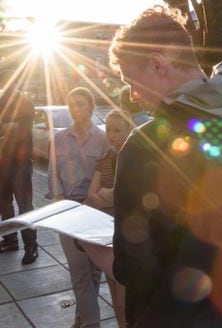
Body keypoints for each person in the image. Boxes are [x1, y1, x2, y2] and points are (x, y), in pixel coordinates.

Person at [108, 6, 222, 327]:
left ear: (157, 63)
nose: (133, 95)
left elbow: (135, 269)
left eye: (131, 81)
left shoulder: (146, 145)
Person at [47, 87, 110, 328]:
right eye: (71, 104)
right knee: (79, 272)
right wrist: (61, 201)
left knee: (94, 273)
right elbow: (53, 174)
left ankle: (82, 321)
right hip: (68, 210)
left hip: (96, 210)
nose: (75, 109)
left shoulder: (103, 139)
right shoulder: (59, 138)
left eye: (80, 104)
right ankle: (92, 324)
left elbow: (107, 176)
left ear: (91, 106)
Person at [85, 109, 132, 328]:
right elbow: (91, 198)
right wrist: (109, 195)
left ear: (130, 130)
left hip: (128, 233)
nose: (112, 135)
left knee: (124, 297)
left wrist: (108, 194)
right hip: (106, 229)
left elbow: (132, 199)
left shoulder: (135, 159)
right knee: (113, 289)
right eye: (108, 130)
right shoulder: (105, 159)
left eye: (117, 130)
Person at [0, 87, 39, 265]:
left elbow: (20, 130)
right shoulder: (0, 102)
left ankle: (31, 246)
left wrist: (1, 124)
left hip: (21, 163)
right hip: (2, 162)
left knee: (25, 206)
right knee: (5, 204)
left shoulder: (25, 102)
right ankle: (10, 241)